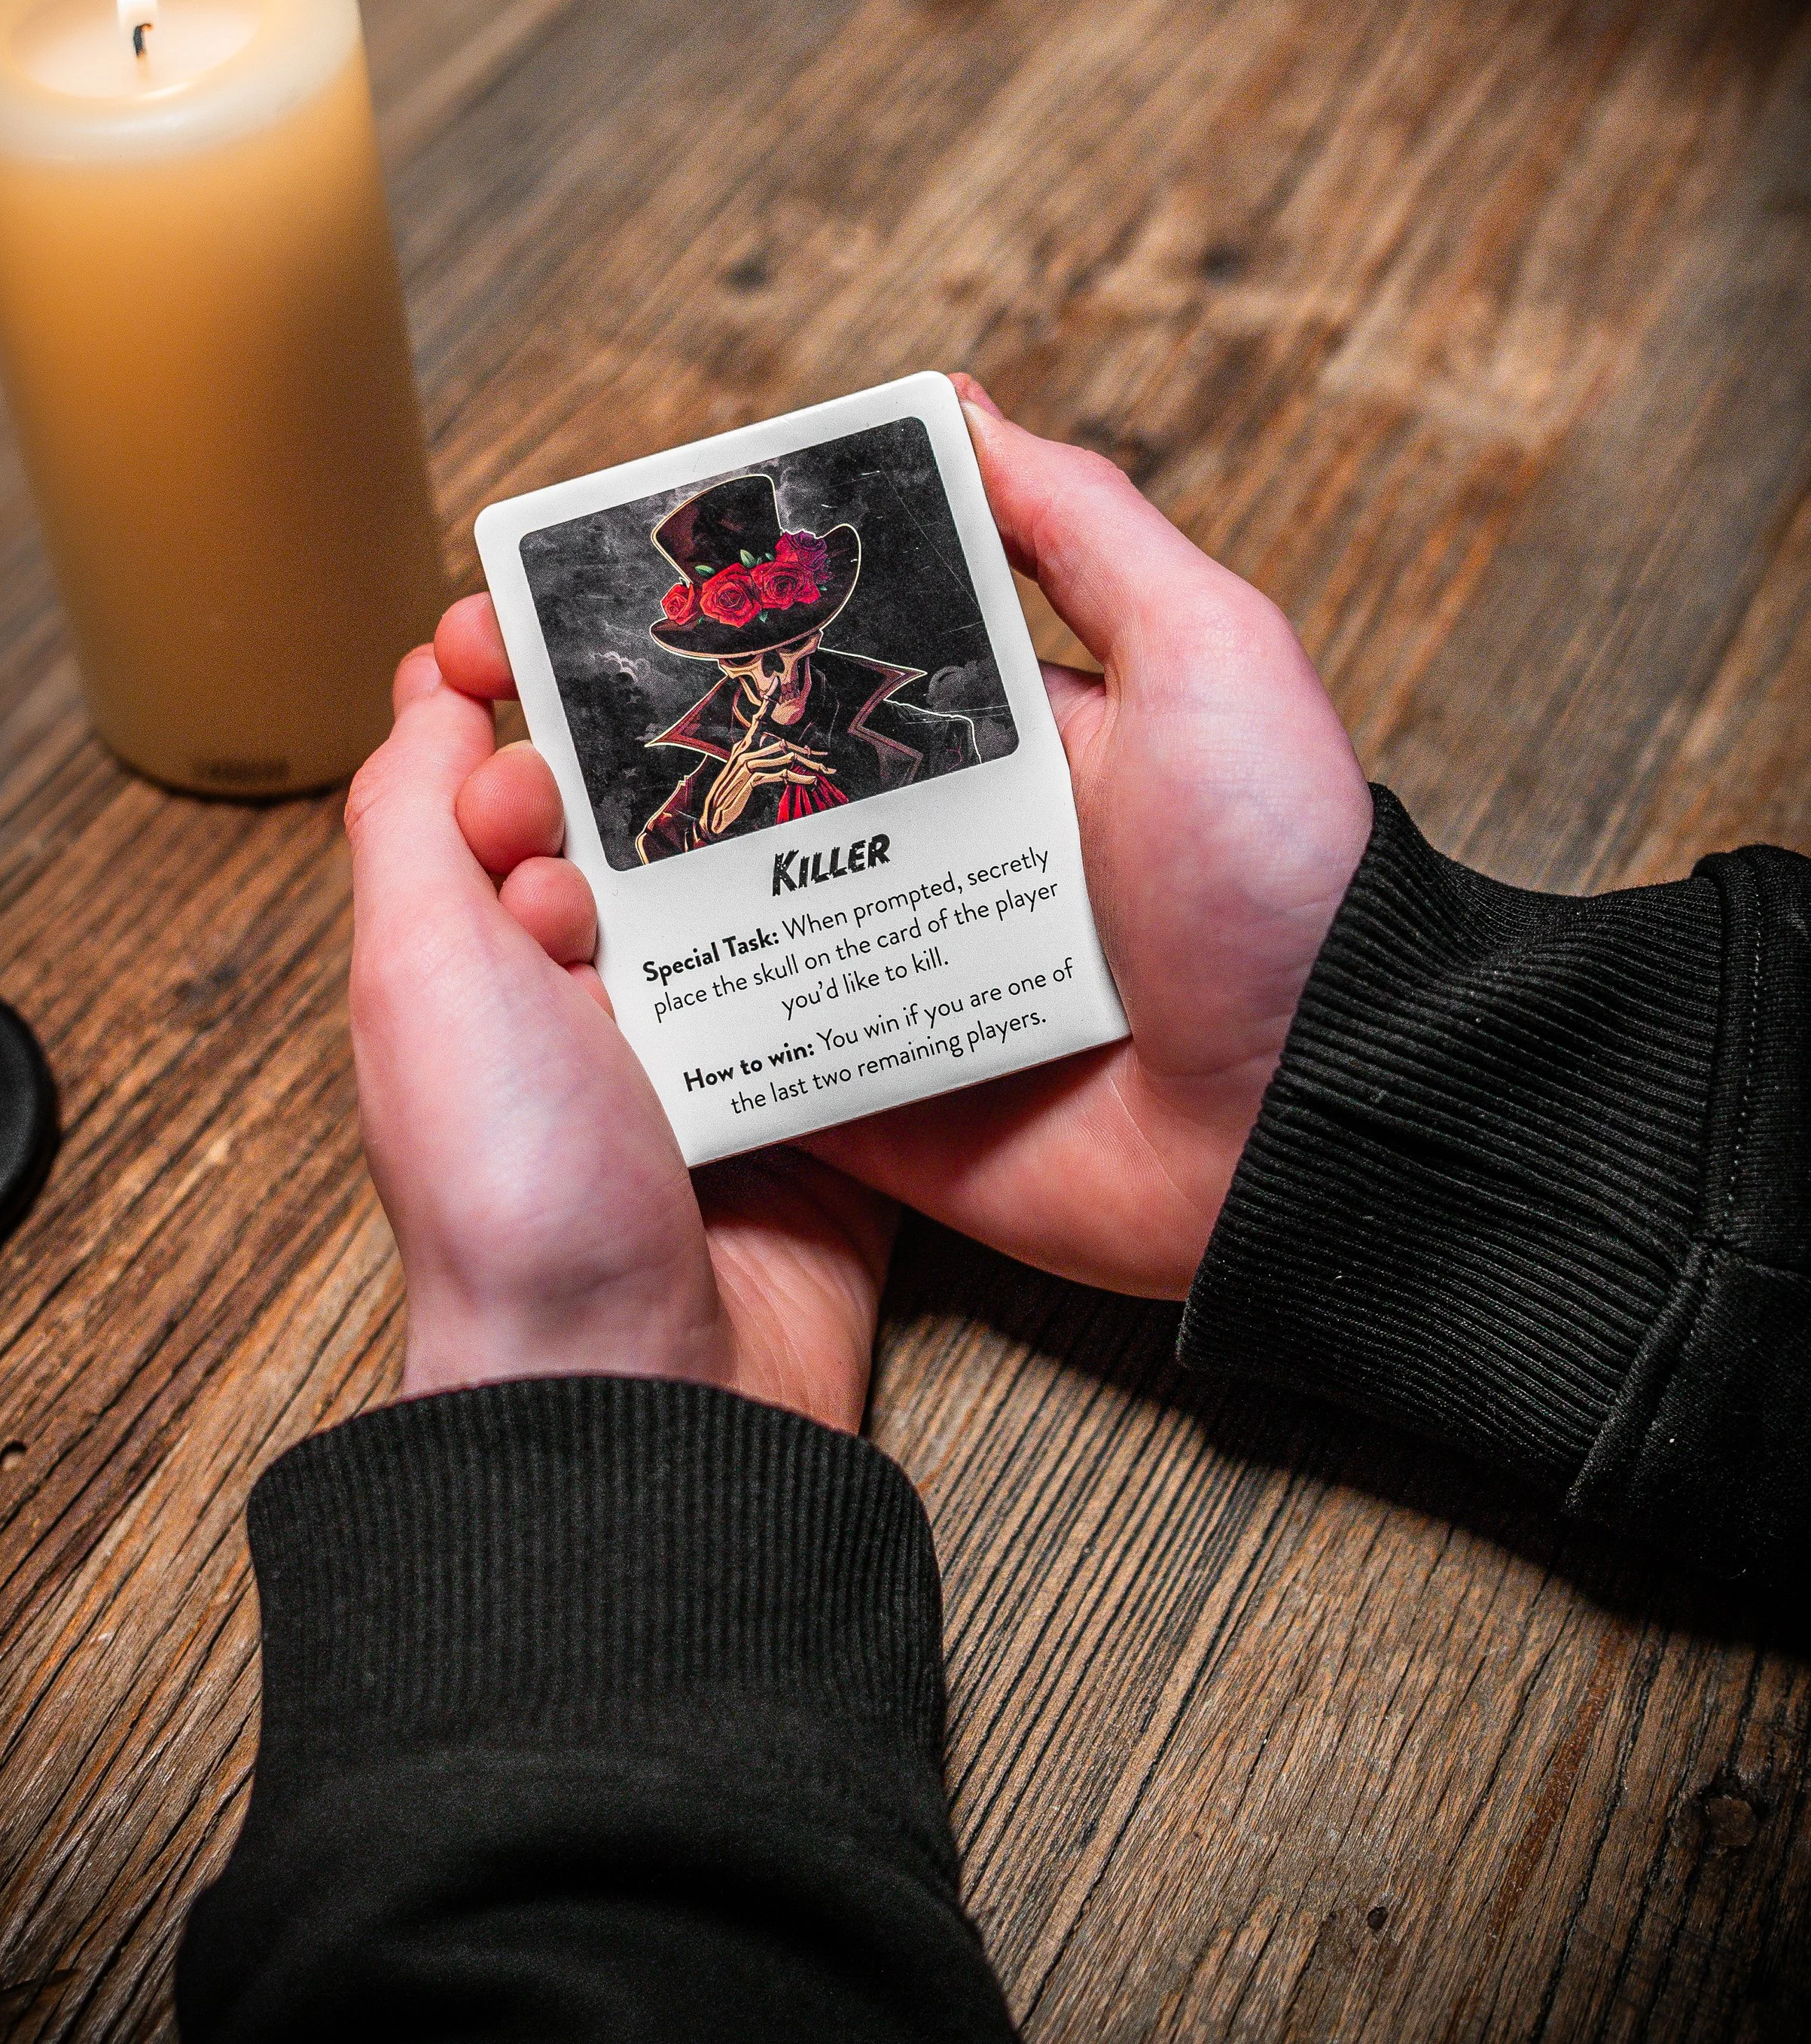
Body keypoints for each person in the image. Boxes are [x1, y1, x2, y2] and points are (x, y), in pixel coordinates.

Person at [175, 376, 1810, 2041]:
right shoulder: (681, 770)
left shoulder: (920, 708)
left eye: (783, 630)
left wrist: (1343, 1060)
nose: (763, 665)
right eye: (735, 642)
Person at [634, 471, 975, 860]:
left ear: (815, 637)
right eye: (746, 657)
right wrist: (709, 829)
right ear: (726, 665)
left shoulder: (934, 739)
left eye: (791, 644)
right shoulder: (699, 795)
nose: (777, 674)